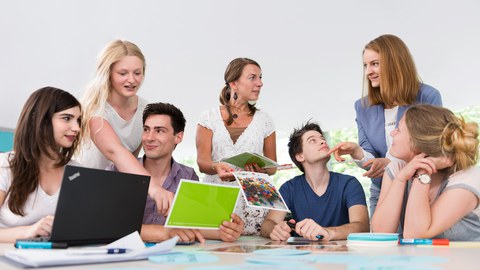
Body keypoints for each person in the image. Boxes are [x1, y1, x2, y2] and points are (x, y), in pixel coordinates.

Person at [108, 102, 244, 243]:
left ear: (178, 137)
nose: (149, 138)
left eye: (159, 131)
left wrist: (224, 232)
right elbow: (107, 226)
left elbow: (193, 224)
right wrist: (163, 233)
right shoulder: (118, 172)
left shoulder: (188, 176)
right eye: (146, 130)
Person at [76, 40, 172, 215]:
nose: (132, 80)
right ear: (108, 74)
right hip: (83, 189)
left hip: (114, 193)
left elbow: (129, 163)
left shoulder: (145, 110)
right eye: (123, 73)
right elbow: (116, 152)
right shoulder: (95, 109)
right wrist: (154, 188)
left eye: (137, 72)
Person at [349, 34, 442, 215]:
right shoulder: (362, 107)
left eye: (375, 63)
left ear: (395, 63)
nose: (368, 72)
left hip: (422, 187)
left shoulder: (428, 96)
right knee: (382, 242)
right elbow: (372, 160)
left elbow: (432, 149)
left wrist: (390, 163)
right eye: (365, 65)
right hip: (383, 191)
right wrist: (357, 153)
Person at [369, 104, 479, 240]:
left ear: (417, 142)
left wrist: (423, 171)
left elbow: (415, 235)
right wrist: (400, 179)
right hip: (418, 260)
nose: (392, 133)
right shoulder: (398, 167)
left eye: (398, 130)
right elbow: (380, 232)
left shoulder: (468, 178)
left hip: (466, 261)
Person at [196, 58, 277, 235]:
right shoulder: (208, 117)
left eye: (260, 77)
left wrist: (262, 170)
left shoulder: (265, 120)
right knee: (216, 251)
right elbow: (202, 162)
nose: (260, 83)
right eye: (252, 77)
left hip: (256, 196)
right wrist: (216, 166)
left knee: (258, 252)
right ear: (234, 83)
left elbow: (272, 168)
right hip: (217, 196)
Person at [260, 122, 369, 241]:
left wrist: (328, 233)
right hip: (302, 257)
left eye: (322, 139)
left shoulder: (350, 184)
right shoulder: (288, 188)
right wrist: (275, 230)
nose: (323, 141)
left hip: (342, 256)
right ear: (300, 156)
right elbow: (267, 224)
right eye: (312, 140)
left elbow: (362, 226)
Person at [0, 87, 82, 242]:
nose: (77, 128)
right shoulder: (4, 166)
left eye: (78, 120)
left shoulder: (78, 172)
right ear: (38, 119)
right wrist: (29, 231)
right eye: (66, 118)